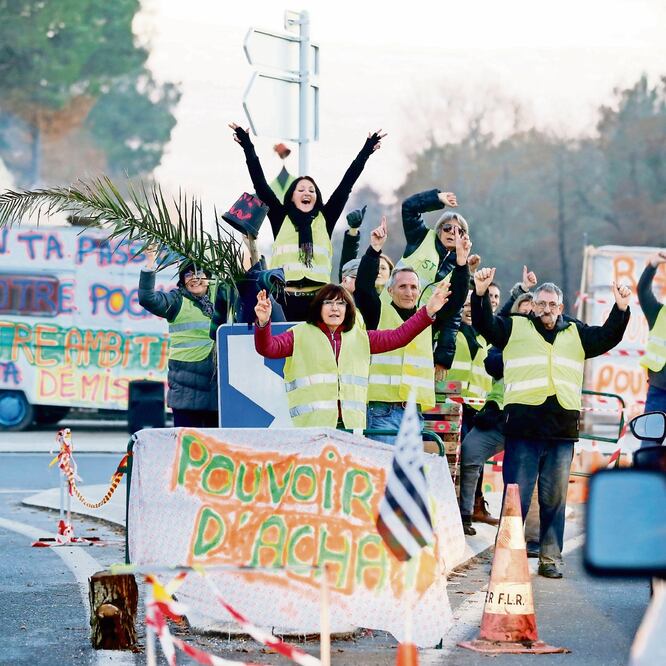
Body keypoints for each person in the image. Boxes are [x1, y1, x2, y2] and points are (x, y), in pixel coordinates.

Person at [472, 268, 631, 578]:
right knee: (515, 497)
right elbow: (485, 325)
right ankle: (507, 557)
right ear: (533, 304)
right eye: (541, 304)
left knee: (554, 498)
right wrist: (479, 295)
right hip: (523, 428)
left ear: (562, 306)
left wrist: (621, 308)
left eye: (552, 305)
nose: (546, 310)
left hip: (561, 430)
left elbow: (608, 336)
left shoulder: (576, 332)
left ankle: (550, 557)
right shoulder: (515, 327)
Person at [230, 122, 386, 321]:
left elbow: (346, 184)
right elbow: (260, 183)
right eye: (301, 189)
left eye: (311, 190)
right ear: (292, 196)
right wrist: (247, 146)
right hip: (283, 299)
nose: (307, 193)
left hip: (318, 300)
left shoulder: (325, 218)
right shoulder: (280, 217)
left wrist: (366, 151)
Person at [253, 281, 451, 429]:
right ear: (318, 307)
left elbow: (400, 336)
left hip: (351, 429)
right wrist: (263, 323)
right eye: (328, 303)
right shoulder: (299, 334)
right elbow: (268, 348)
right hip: (311, 429)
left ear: (348, 309)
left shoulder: (361, 338)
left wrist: (428, 311)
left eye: (341, 304)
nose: (334, 308)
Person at [354, 216, 471, 442]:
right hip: (380, 410)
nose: (409, 292)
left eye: (414, 287)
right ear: (390, 290)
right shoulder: (377, 312)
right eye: (403, 286)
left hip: (413, 412)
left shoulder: (426, 316)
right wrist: (374, 250)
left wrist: (461, 263)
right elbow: (364, 288)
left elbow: (455, 301)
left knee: (406, 478)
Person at [458, 291, 534, 537]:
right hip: (496, 417)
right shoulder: (503, 337)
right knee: (469, 454)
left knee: (523, 475)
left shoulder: (547, 342)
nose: (526, 313)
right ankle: (465, 515)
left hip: (529, 420)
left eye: (530, 310)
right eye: (522, 309)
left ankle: (527, 536)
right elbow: (493, 365)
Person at [398, 188, 480, 380]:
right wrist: (436, 199)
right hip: (392, 315)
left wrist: (443, 357)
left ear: (464, 238)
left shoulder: (460, 268)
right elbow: (408, 208)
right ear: (439, 229)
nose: (453, 232)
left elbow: (453, 314)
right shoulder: (420, 237)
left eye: (459, 230)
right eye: (448, 228)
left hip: (423, 328)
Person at [138, 252, 223, 427]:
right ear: (183, 281)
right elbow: (147, 298)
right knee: (186, 448)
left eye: (199, 273)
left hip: (217, 394)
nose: (195, 278)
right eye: (189, 274)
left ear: (209, 277)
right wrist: (150, 263)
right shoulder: (176, 300)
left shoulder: (222, 297)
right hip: (186, 394)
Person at [638, 250, 666, 413]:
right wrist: (653, 265)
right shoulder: (657, 313)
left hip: (657, 390)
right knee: (650, 437)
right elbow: (643, 290)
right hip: (659, 391)